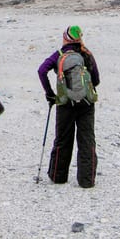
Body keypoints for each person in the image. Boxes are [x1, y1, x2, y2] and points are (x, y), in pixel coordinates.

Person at [37, 25, 100, 187]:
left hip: (64, 103)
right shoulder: (86, 54)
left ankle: (58, 176)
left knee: (63, 139)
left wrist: (50, 93)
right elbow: (97, 80)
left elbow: (41, 70)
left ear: (65, 38)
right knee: (86, 140)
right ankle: (87, 181)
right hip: (86, 104)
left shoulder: (59, 55)